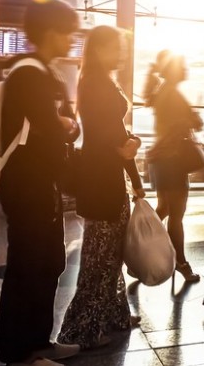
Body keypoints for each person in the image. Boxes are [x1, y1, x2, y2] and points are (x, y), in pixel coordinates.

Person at [0, 0, 81, 366]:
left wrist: (66, 125)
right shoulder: (28, 73)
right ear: (52, 32)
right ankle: (19, 353)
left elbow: (61, 123)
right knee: (28, 265)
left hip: (40, 182)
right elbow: (51, 126)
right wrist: (65, 125)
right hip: (26, 183)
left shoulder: (43, 72)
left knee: (48, 262)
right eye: (68, 32)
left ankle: (38, 342)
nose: (71, 40)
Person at [57, 26, 144, 349]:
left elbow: (114, 132)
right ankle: (81, 329)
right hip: (101, 178)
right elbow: (104, 134)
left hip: (106, 176)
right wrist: (125, 149)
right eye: (116, 48)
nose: (121, 54)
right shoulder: (95, 83)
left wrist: (131, 165)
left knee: (109, 252)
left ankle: (113, 315)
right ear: (99, 49)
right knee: (100, 255)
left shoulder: (97, 80)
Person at [143, 51, 203, 283]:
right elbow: (194, 123)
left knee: (165, 209)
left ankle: (139, 252)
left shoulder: (161, 92)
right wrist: (192, 118)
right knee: (176, 215)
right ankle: (181, 263)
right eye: (183, 65)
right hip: (173, 160)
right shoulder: (174, 95)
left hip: (160, 159)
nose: (186, 68)